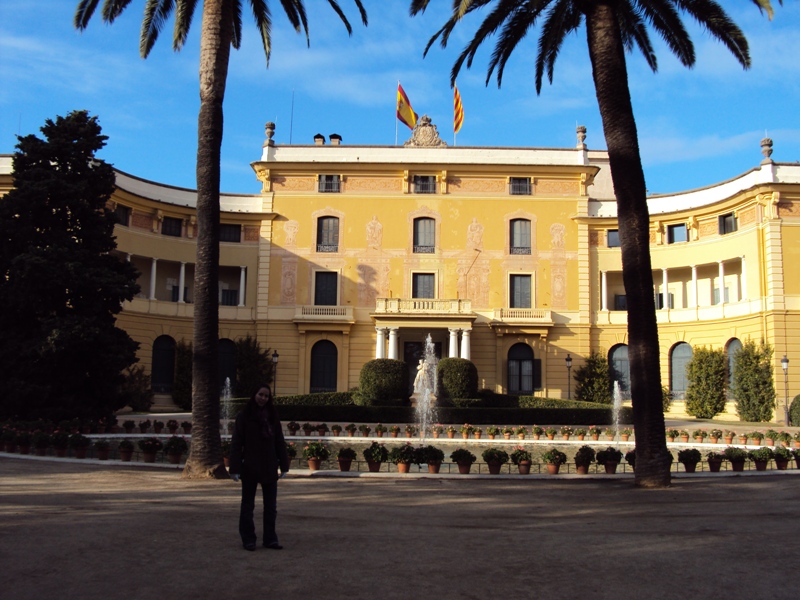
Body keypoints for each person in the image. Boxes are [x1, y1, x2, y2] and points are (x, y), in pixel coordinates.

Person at [229, 384, 290, 551]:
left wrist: (284, 465)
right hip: (250, 466)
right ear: (254, 395)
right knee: (247, 505)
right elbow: (237, 443)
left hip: (269, 466)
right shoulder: (244, 416)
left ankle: (270, 538)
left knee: (271, 507)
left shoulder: (272, 417)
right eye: (260, 394)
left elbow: (279, 441)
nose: (263, 398)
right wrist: (234, 468)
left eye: (266, 396)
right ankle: (248, 539)